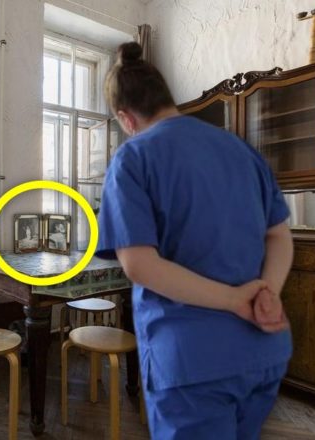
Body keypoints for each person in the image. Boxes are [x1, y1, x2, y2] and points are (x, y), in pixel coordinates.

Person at [96, 41, 292, 440]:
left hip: (192, 361)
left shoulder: (133, 158)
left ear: (125, 118)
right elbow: (279, 236)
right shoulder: (241, 150)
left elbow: (139, 265)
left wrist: (235, 300)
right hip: (264, 348)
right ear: (167, 97)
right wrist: (267, 293)